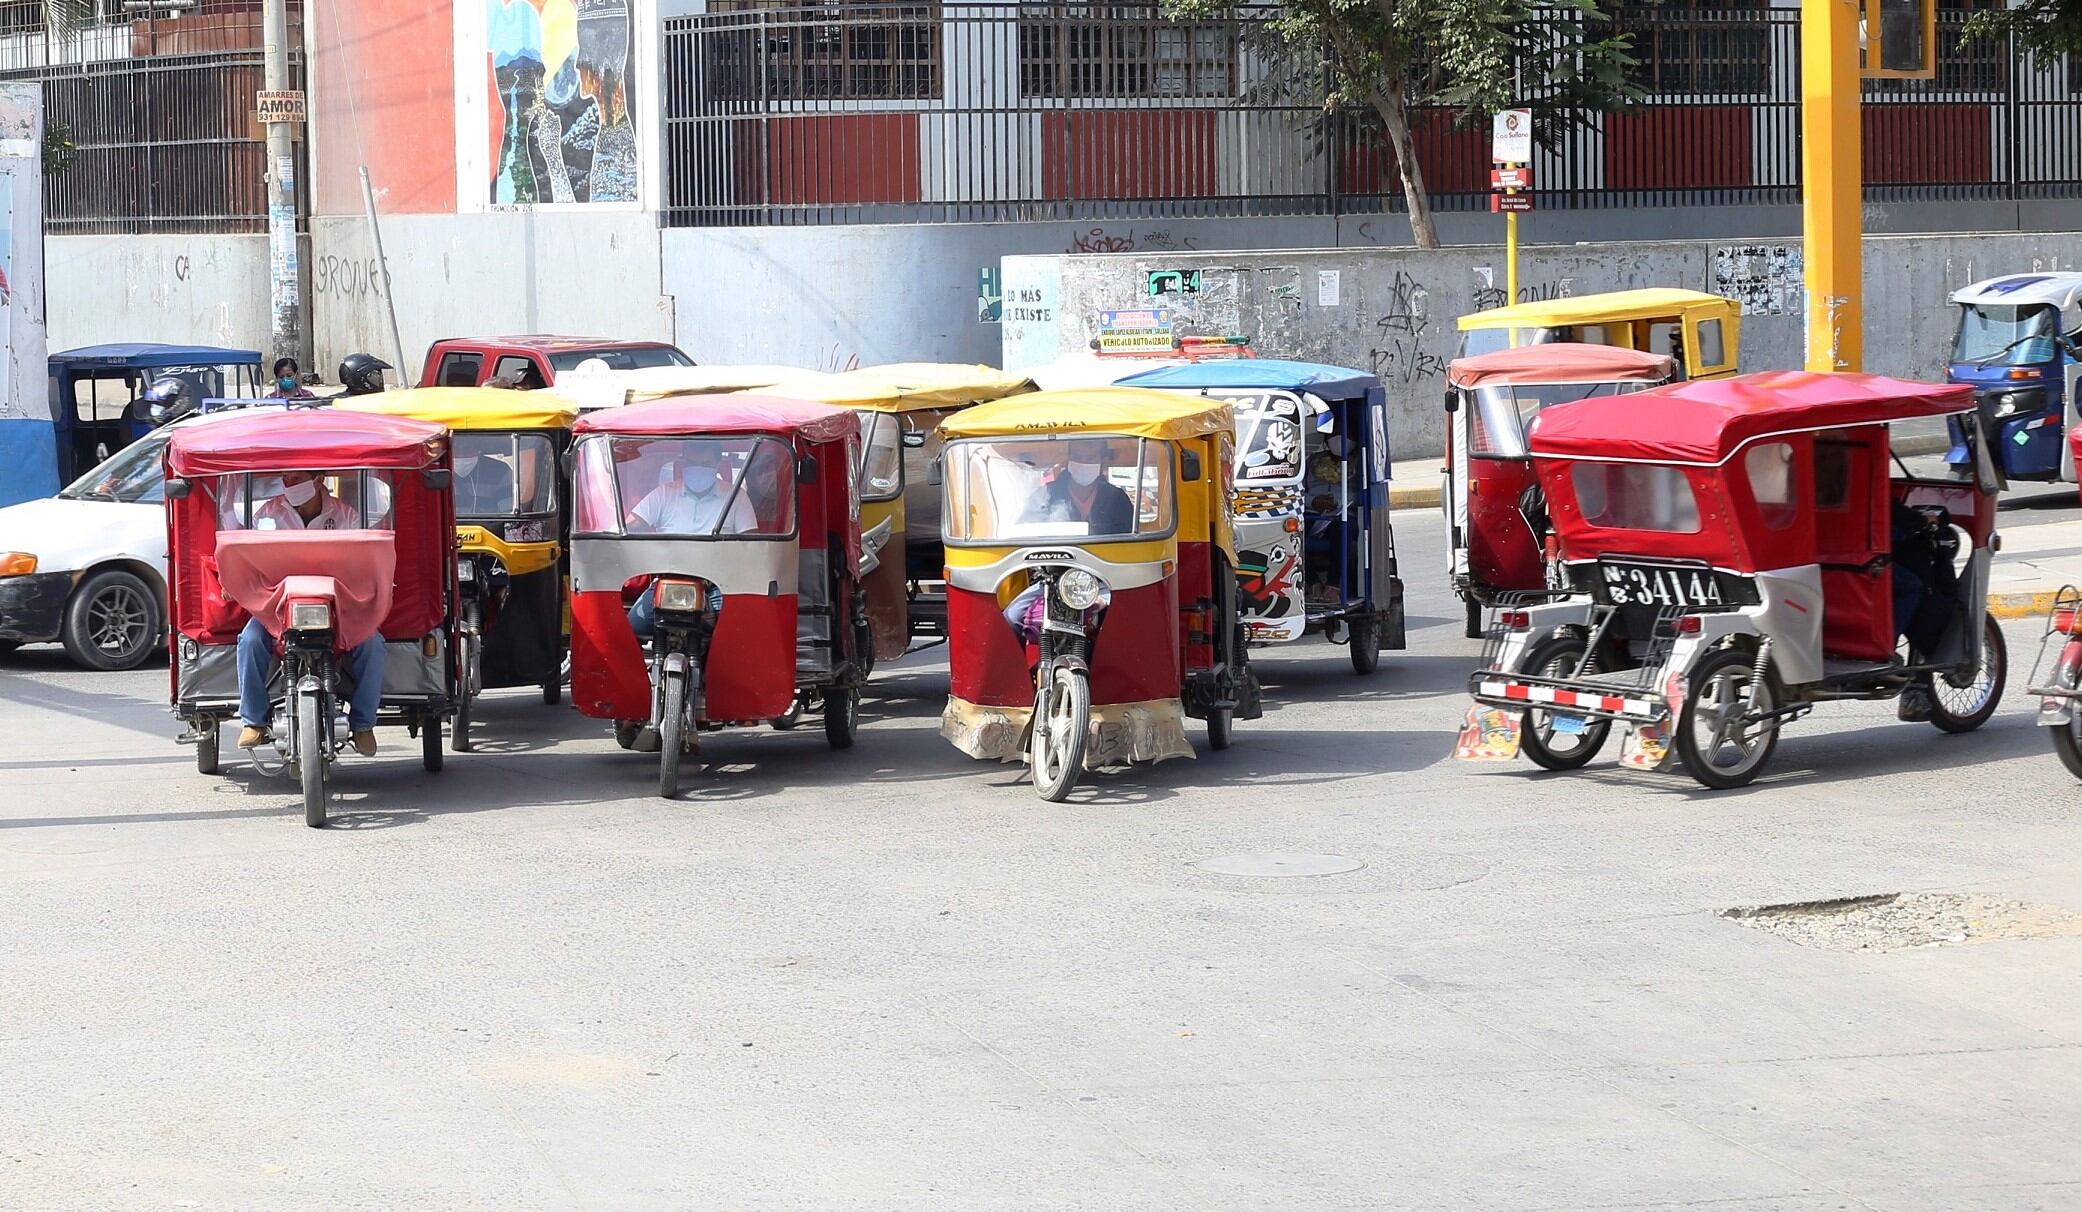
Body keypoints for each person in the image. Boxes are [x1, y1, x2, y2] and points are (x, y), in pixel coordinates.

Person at [235, 471, 387, 755]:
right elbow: (251, 556)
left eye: (296, 478)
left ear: (317, 480)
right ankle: (253, 720)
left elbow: (363, 560)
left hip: (339, 605)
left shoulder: (347, 516)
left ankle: (364, 724)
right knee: (250, 641)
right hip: (277, 606)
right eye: (286, 478)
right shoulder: (267, 515)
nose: (288, 484)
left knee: (373, 644)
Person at [625, 447, 760, 639]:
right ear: (683, 463)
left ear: (716, 465)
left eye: (704, 464)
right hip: (666, 582)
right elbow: (631, 525)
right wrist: (612, 532)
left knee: (737, 635)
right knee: (629, 630)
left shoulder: (736, 496)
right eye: (692, 463)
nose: (698, 468)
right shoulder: (664, 493)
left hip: (717, 586)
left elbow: (753, 543)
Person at [1018, 438, 1134, 534]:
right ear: (1068, 460)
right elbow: (1025, 532)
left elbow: (1129, 540)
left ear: (1102, 462)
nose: (1083, 463)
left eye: (1090, 459)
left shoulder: (1117, 499)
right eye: (1077, 458)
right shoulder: (1044, 496)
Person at [454, 447, 517, 516]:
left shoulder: (500, 470)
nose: (461, 454)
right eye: (456, 447)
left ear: (478, 448)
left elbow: (508, 514)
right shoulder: (440, 467)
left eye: (467, 449)